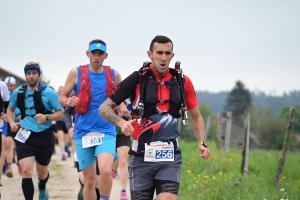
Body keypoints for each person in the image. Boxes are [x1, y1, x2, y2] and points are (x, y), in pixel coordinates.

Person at [99, 35, 211, 200]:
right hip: (141, 156)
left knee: (168, 198)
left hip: (170, 156)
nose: (163, 58)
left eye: (167, 53)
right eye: (159, 52)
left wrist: (202, 143)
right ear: (150, 54)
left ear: (173, 56)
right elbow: (104, 108)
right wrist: (121, 122)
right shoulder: (136, 79)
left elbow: (197, 117)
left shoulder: (182, 81)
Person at [59, 39, 127, 200]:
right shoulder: (76, 73)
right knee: (89, 182)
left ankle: (104, 198)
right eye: (94, 53)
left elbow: (123, 94)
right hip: (83, 133)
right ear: (87, 54)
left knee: (104, 171)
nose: (96, 57)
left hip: (106, 131)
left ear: (106, 56)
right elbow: (62, 97)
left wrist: (123, 105)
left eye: (100, 54)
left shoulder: (113, 74)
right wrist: (68, 101)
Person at [7, 62, 64, 200]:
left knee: (42, 174)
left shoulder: (49, 93)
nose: (31, 76)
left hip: (44, 136)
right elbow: (10, 109)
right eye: (28, 73)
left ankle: (43, 187)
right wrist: (11, 122)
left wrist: (47, 117)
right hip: (25, 136)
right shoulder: (18, 92)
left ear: (38, 75)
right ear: (25, 75)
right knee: (26, 170)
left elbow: (61, 113)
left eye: (34, 73)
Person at [112, 102, 131, 200]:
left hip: (124, 133)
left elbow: (132, 112)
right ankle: (113, 170)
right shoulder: (108, 89)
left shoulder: (128, 91)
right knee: (110, 161)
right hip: (109, 132)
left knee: (123, 161)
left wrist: (127, 112)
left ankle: (123, 191)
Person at [4, 76, 21, 178]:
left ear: (14, 86)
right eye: (7, 86)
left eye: (11, 86)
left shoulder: (19, 94)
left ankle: (20, 163)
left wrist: (23, 115)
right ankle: (9, 167)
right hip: (9, 124)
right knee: (9, 143)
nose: (9, 88)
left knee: (19, 146)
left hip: (20, 124)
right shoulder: (3, 95)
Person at [56, 86, 71, 161]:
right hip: (59, 121)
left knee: (66, 139)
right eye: (60, 91)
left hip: (66, 121)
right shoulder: (56, 100)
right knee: (60, 137)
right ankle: (63, 153)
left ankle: (66, 147)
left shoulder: (68, 100)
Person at [0, 74, 10, 185]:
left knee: (2, 147)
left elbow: (8, 106)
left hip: (1, 124)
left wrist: (7, 115)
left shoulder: (2, 86)